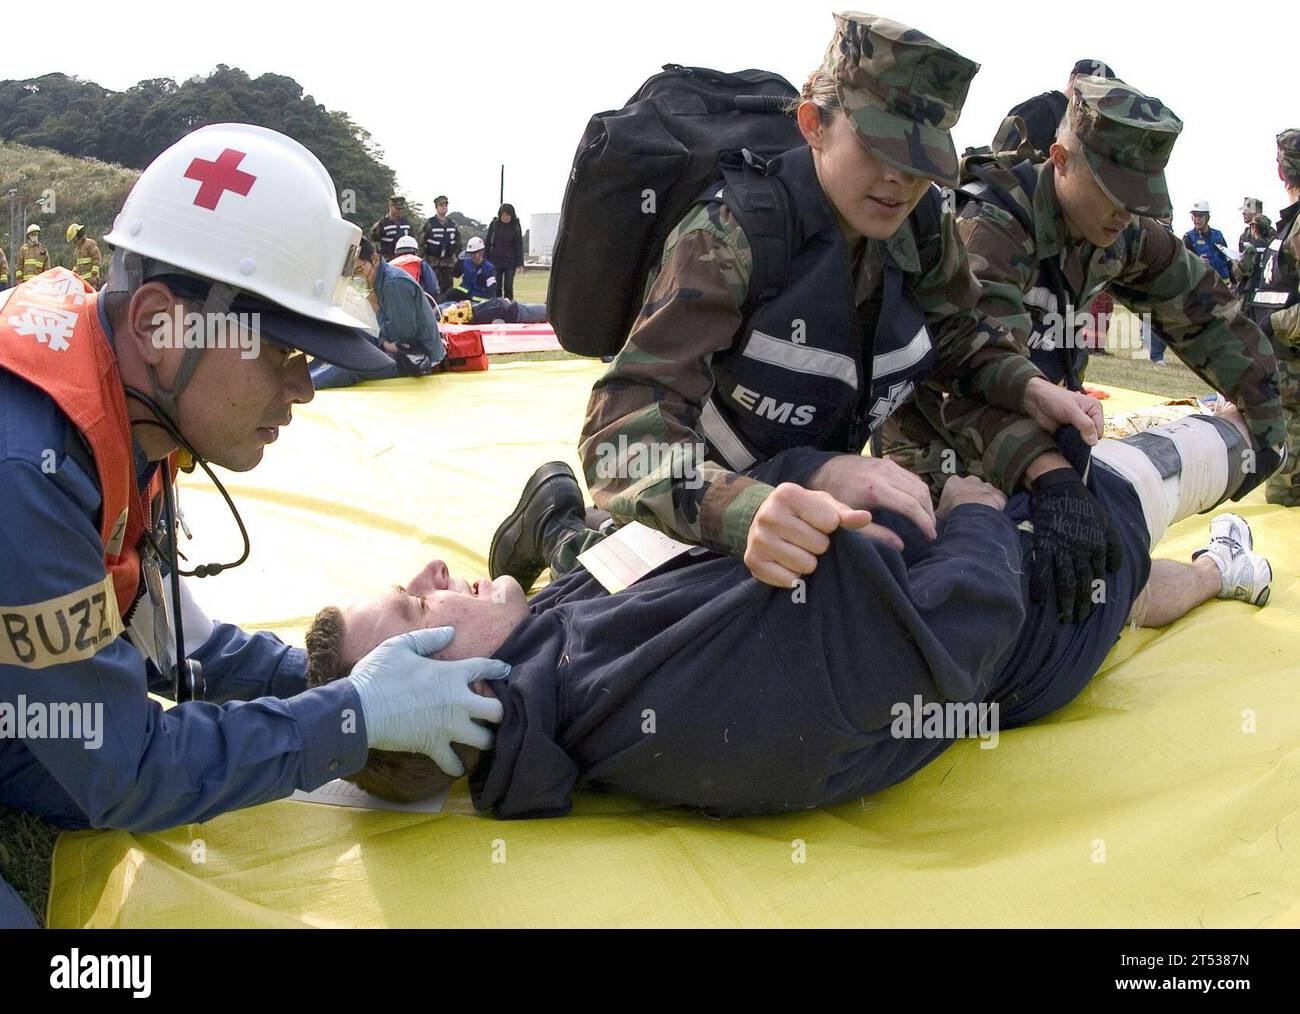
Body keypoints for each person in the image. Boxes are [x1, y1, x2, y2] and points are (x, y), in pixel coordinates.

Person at [0, 124, 506, 930]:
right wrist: (353, 718)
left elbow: (178, 647)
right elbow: (129, 769)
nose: (302, 390)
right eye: (280, 351)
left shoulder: (127, 413)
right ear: (162, 327)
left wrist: (351, 678)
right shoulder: (25, 469)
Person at [309, 404, 1271, 819]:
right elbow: (939, 651)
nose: (433, 570)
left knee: (1137, 586)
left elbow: (685, 536)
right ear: (454, 697)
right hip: (1027, 604)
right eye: (413, 603)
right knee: (1158, 479)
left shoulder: (555, 642)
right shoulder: (661, 706)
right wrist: (980, 525)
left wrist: (811, 473)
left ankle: (1223, 571)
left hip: (953, 549)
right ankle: (1253, 442)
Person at [563, 12, 1112, 623]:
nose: (899, 181)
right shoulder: (733, 235)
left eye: (920, 158)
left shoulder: (924, 228)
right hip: (713, 493)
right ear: (812, 125)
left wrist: (1029, 387)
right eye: (877, 146)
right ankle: (560, 530)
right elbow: (619, 433)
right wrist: (745, 510)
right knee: (633, 614)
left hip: (817, 487)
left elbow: (955, 336)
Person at [879, 76, 1283, 510]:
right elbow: (972, 369)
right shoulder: (990, 229)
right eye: (1114, 193)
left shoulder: (1120, 230)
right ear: (1060, 160)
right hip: (938, 462)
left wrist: (1266, 421)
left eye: (1139, 200)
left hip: (1041, 445)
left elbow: (1205, 313)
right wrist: (1052, 475)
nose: (1126, 214)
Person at [310, 238, 445, 388]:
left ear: (374, 260)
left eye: (359, 270)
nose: (356, 278)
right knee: (340, 331)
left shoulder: (394, 284)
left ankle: (303, 385)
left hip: (415, 359)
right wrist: (385, 343)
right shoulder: (378, 280)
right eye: (351, 274)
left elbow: (402, 338)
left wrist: (374, 304)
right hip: (395, 346)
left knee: (353, 366)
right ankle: (302, 373)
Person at [1249, 129, 1300, 505]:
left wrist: (1271, 325)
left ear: (1281, 172)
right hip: (1282, 381)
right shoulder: (1286, 226)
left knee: (1287, 496)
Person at [991, 58, 1117, 157]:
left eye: (1101, 91)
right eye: (1089, 84)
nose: (1094, 94)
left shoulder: (1087, 126)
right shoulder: (1042, 108)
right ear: (1073, 77)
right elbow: (1007, 158)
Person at [420, 195, 461, 295]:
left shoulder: (453, 224)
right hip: (433, 262)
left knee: (448, 290)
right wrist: (423, 260)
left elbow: (458, 243)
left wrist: (455, 257)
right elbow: (421, 242)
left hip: (448, 263)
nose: (444, 207)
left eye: (445, 205)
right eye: (441, 205)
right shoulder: (429, 223)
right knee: (432, 288)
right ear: (436, 207)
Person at [1183, 200, 1232, 281]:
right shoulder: (1188, 238)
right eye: (1194, 216)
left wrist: (1233, 281)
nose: (1197, 219)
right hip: (1203, 284)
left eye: (1200, 216)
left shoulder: (1218, 235)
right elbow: (1184, 263)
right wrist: (1197, 262)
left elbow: (1227, 258)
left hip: (1223, 283)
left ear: (1207, 217)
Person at [484, 203, 524, 300]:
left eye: (508, 215)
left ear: (512, 215)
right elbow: (488, 241)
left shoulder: (516, 225)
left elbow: (519, 244)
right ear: (500, 215)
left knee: (508, 286)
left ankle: (509, 306)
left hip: (510, 261)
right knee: (496, 287)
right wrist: (486, 258)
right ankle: (497, 306)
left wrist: (520, 263)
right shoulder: (494, 224)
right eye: (503, 215)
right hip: (495, 261)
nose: (505, 217)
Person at [1234, 212, 1276, 301]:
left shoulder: (1251, 248)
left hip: (1251, 292)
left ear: (1255, 229)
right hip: (1267, 291)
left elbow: (1242, 271)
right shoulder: (1273, 247)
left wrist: (1236, 264)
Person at [445, 236, 499, 301]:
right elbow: (455, 274)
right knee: (450, 293)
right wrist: (459, 262)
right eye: (470, 253)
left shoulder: (489, 269)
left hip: (478, 297)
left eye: (475, 253)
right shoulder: (465, 262)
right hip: (465, 292)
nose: (472, 256)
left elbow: (492, 292)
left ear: (481, 252)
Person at [390, 233, 441, 301]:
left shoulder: (389, 265)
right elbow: (432, 288)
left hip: (392, 302)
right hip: (414, 302)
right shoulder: (420, 262)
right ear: (416, 251)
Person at [370, 195, 412, 259]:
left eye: (401, 208)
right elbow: (374, 242)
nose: (399, 211)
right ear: (390, 206)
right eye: (397, 208)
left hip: (403, 259)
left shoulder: (406, 223)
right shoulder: (382, 224)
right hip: (387, 260)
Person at [65, 222, 103, 289]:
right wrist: (72, 275)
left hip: (91, 283)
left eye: (74, 239)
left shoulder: (90, 244)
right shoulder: (77, 250)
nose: (73, 242)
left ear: (78, 235)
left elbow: (96, 259)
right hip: (81, 284)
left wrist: (94, 276)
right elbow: (76, 265)